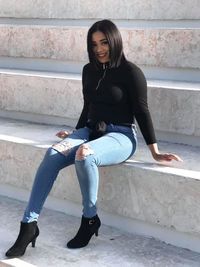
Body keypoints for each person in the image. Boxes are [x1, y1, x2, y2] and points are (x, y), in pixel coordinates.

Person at [5, 19, 182, 257]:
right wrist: (75, 133)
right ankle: (28, 226)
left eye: (104, 42)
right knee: (53, 153)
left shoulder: (131, 72)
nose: (99, 49)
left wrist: (155, 151)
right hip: (89, 131)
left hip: (121, 136)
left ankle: (90, 219)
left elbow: (142, 111)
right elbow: (88, 106)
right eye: (94, 44)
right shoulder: (88, 70)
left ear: (115, 41)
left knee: (84, 155)